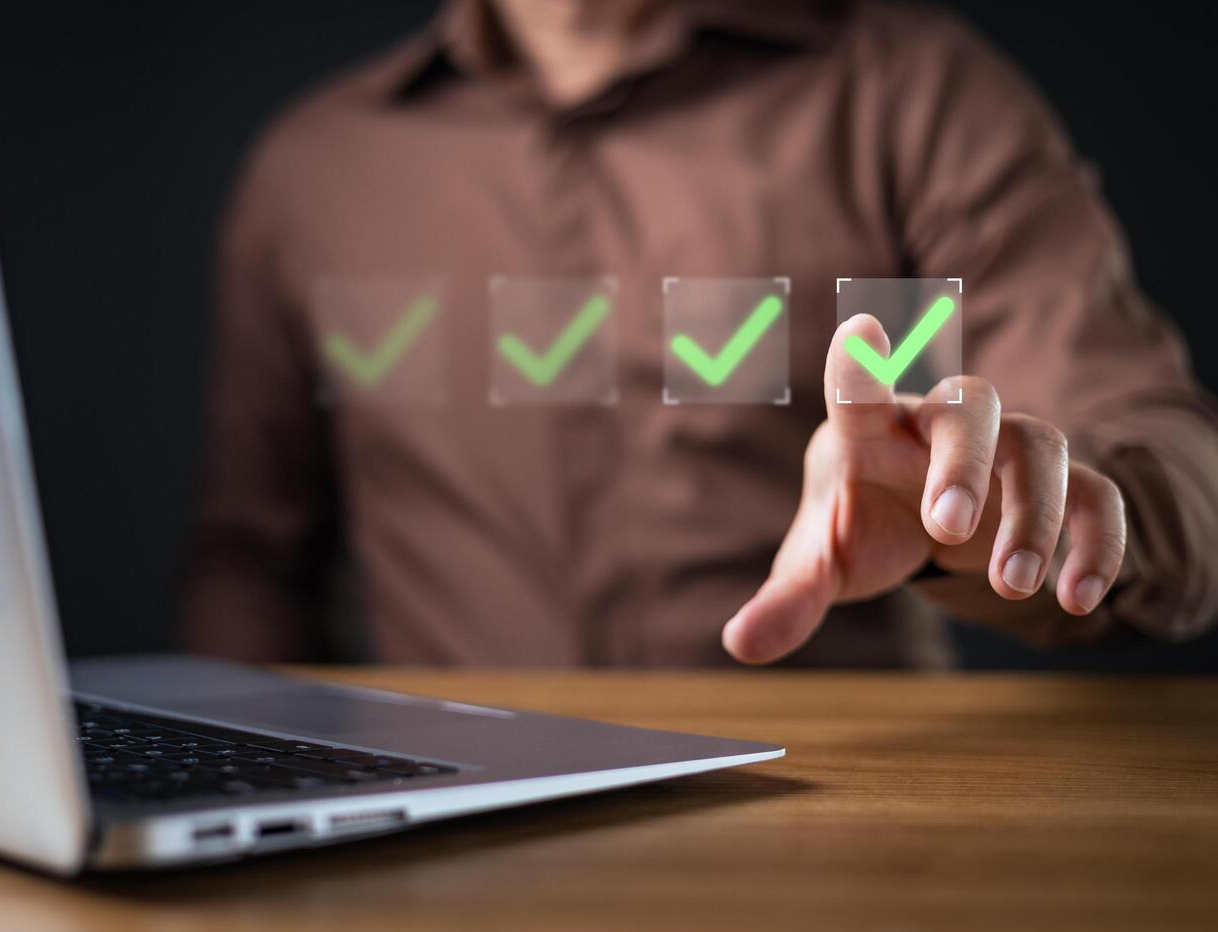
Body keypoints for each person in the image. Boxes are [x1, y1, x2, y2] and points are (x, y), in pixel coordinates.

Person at [183, 0, 1218, 668]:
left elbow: (1173, 457)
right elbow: (252, 555)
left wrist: (1011, 502)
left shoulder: (911, 100)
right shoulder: (314, 171)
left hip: (837, 842)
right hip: (440, 859)